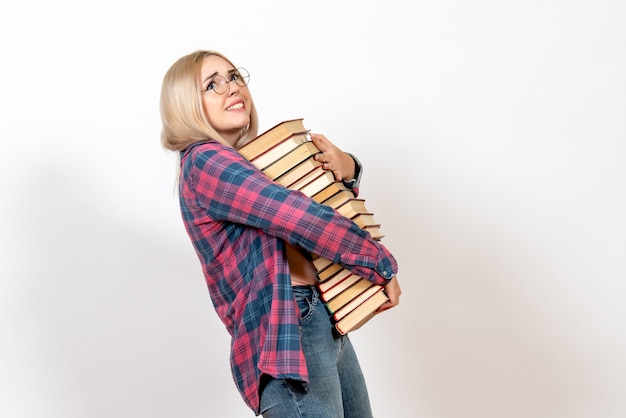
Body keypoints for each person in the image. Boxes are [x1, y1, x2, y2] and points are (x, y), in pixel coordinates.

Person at [159, 49, 401, 417]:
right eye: (212, 85)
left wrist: (348, 169)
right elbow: (301, 218)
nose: (232, 88)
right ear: (186, 106)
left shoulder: (246, 163)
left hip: (319, 316)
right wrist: (379, 264)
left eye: (235, 76)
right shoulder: (206, 161)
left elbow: (320, 206)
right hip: (290, 328)